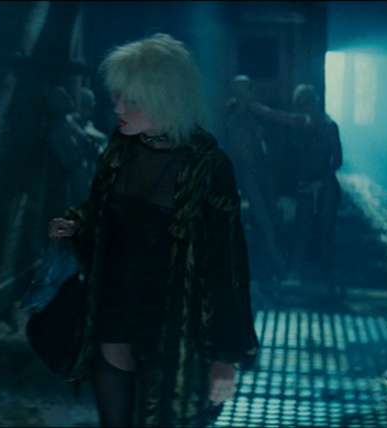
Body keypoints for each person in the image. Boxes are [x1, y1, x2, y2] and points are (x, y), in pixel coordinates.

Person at [46, 33, 260, 427]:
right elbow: (106, 210)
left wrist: (226, 357)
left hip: (175, 329)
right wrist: (78, 222)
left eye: (131, 100)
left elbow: (227, 264)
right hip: (114, 314)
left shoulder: (207, 166)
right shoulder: (121, 148)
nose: (117, 107)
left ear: (166, 99)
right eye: (116, 96)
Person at [249, 84, 343, 290]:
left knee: (326, 231)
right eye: (301, 104)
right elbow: (272, 114)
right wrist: (247, 104)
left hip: (326, 187)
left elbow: (337, 161)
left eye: (307, 102)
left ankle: (327, 278)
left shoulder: (330, 126)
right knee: (302, 229)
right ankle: (296, 275)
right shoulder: (301, 122)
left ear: (316, 101)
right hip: (307, 186)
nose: (305, 107)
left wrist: (321, 182)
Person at [224, 75, 289, 285]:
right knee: (266, 224)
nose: (255, 92)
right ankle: (281, 270)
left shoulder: (251, 118)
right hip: (250, 176)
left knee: (273, 219)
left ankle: (274, 270)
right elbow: (240, 154)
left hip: (262, 173)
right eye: (250, 88)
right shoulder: (233, 120)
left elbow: (258, 149)